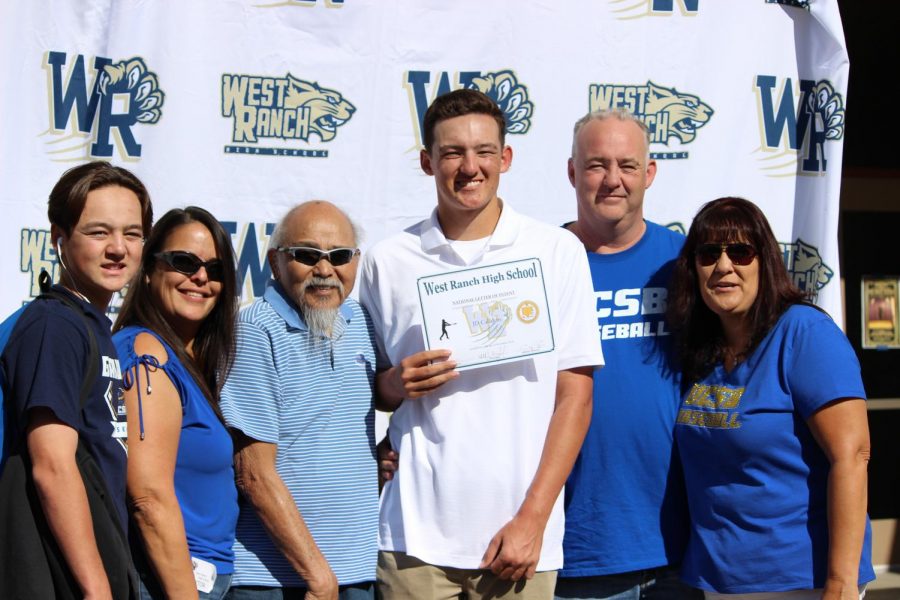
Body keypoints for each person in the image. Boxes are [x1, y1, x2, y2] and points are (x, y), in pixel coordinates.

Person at [359, 88, 603, 600]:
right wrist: (393, 383)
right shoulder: (387, 259)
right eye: (452, 153)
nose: (469, 167)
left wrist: (533, 519)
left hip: (520, 540)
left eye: (483, 151)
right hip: (413, 540)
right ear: (427, 162)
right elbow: (371, 391)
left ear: (505, 158)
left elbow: (575, 397)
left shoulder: (556, 251)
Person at [667, 197, 874, 598]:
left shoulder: (803, 332)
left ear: (765, 260)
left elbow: (852, 455)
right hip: (718, 579)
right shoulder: (701, 350)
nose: (724, 266)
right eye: (709, 253)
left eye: (741, 252)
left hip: (801, 580)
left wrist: (842, 582)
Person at [555, 110, 701, 600]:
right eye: (597, 165)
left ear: (650, 173)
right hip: (577, 547)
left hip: (685, 549)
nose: (612, 180)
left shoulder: (688, 264)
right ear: (573, 172)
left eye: (627, 165)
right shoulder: (538, 264)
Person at [0, 161, 152, 598]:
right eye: (99, 232)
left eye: (132, 233)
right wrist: (96, 587)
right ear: (59, 239)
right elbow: (52, 464)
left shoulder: (90, 325)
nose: (118, 248)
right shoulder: (55, 325)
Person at [220, 201, 379, 600]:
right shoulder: (255, 331)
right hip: (277, 580)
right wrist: (317, 575)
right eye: (307, 255)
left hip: (355, 570)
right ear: (274, 262)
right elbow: (253, 474)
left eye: (340, 256)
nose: (324, 270)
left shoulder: (359, 321)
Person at [113, 207, 239, 599]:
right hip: (167, 583)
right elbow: (148, 499)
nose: (200, 277)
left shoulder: (182, 359)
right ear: (149, 270)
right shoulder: (147, 352)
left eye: (214, 269)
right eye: (183, 262)